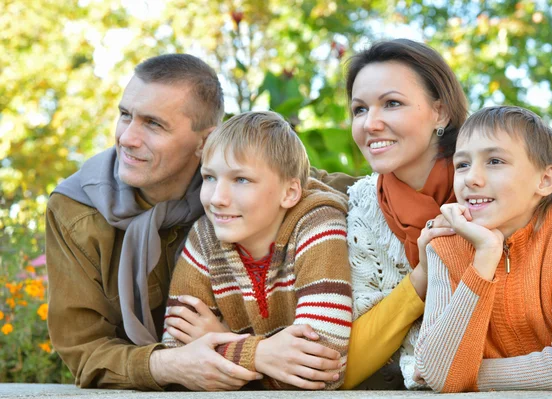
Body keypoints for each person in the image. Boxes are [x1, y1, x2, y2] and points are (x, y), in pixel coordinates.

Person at [45, 54, 266, 391]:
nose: (127, 138)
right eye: (124, 115)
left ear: (205, 142)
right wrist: (169, 365)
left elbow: (344, 188)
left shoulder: (250, 185)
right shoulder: (75, 210)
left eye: (153, 124)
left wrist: (234, 343)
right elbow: (84, 350)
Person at [161, 111, 353, 390]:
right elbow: (179, 360)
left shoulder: (317, 223)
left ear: (289, 193)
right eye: (210, 177)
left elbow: (319, 369)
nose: (217, 198)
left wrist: (223, 339)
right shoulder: (205, 237)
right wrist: (264, 355)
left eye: (241, 180)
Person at [415, 105, 552, 392]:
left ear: (545, 180)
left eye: (495, 161)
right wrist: (486, 256)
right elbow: (440, 376)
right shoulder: (445, 244)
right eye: (462, 164)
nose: (472, 178)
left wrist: (467, 374)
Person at [340, 39, 466, 389]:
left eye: (392, 104)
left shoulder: (495, 191)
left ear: (440, 112)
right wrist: (421, 279)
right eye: (360, 109)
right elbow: (344, 366)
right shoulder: (360, 207)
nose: (371, 124)